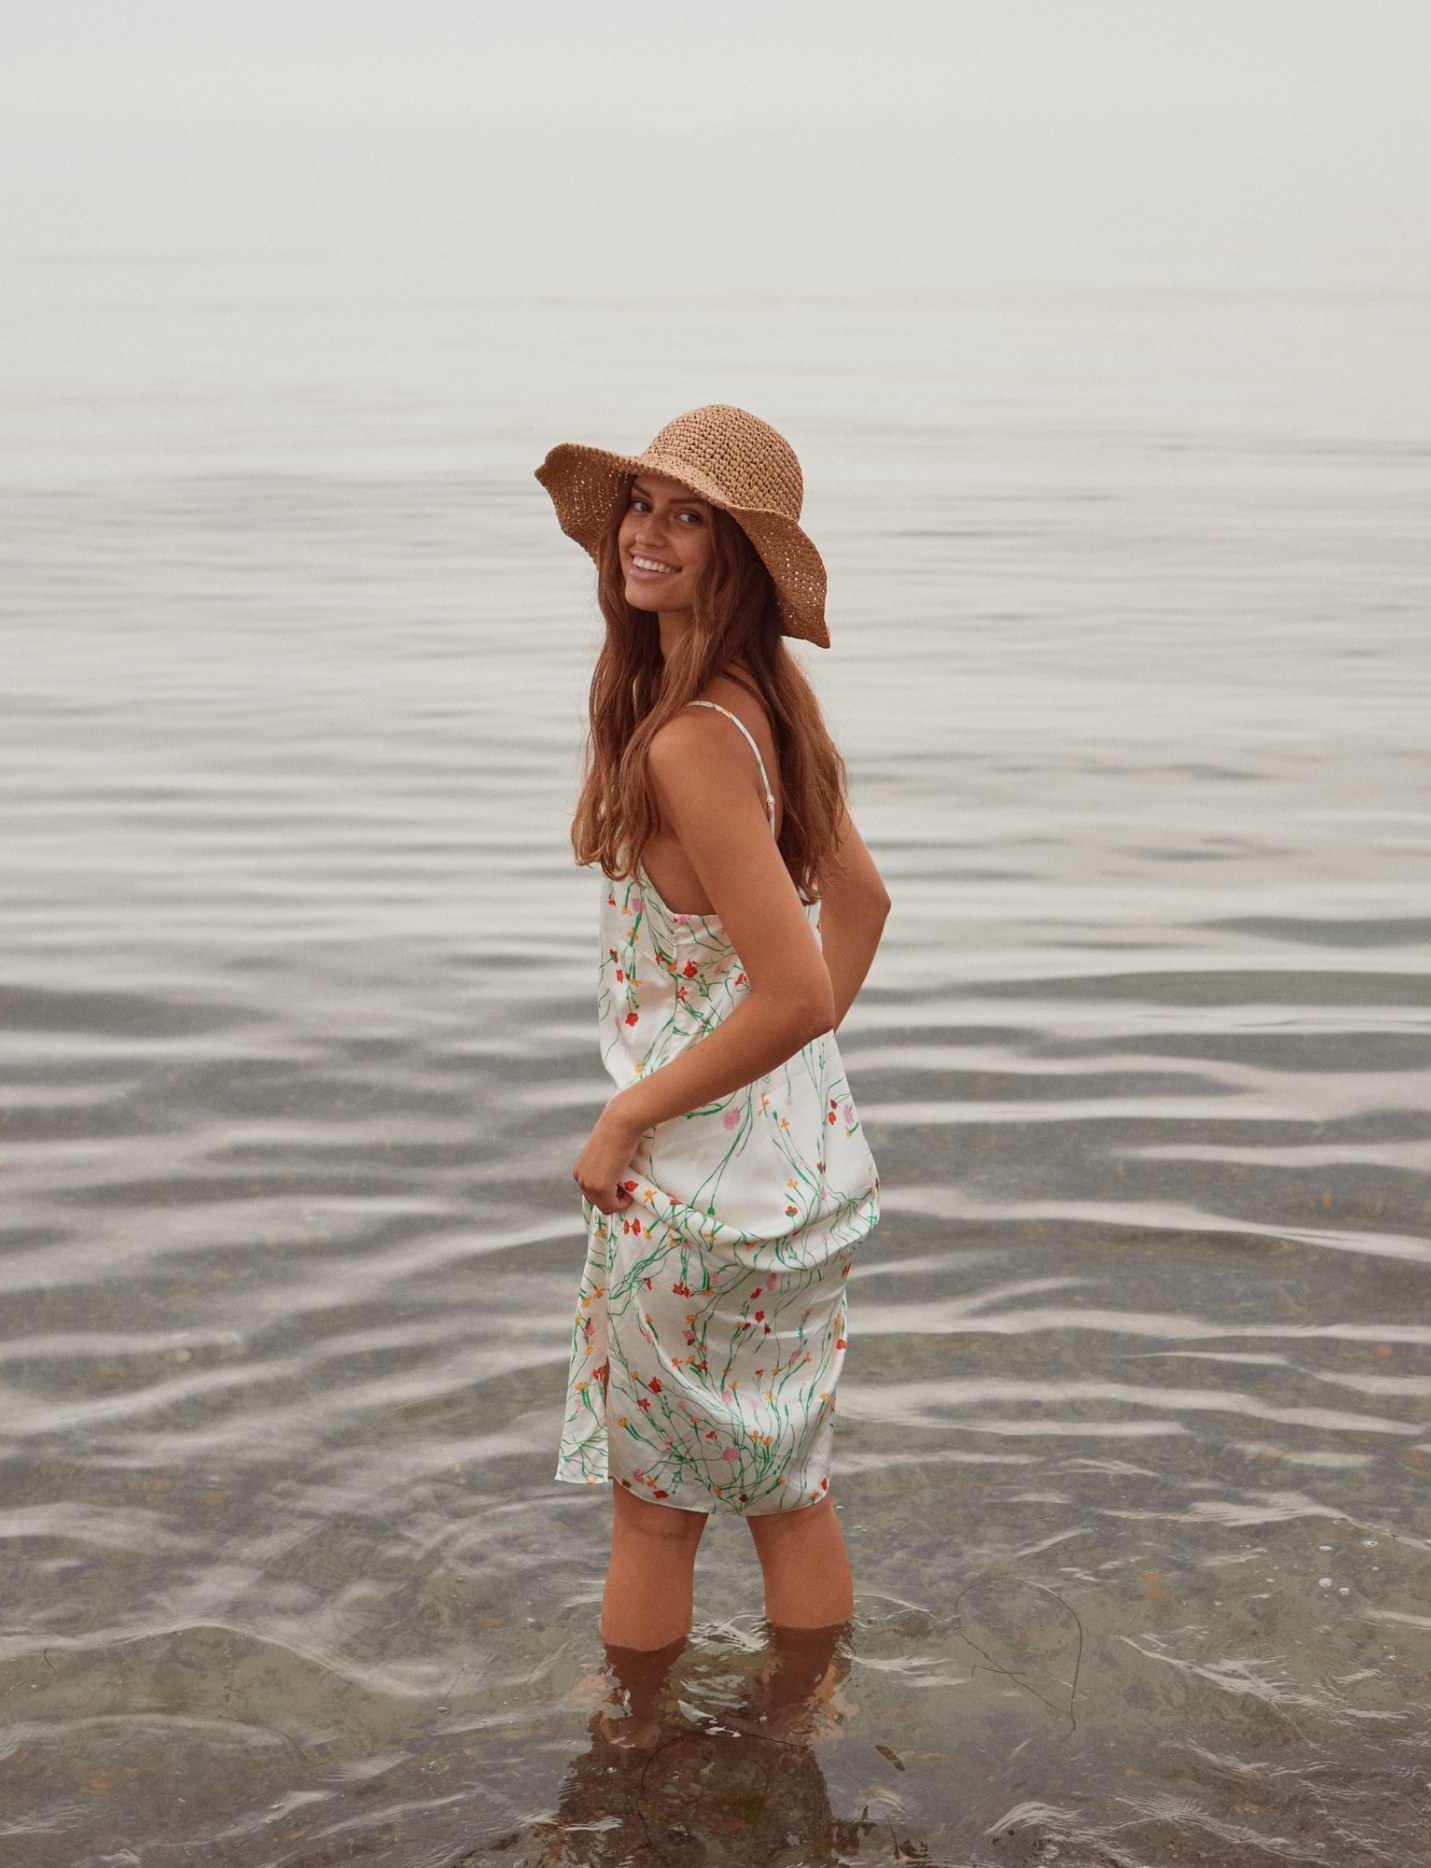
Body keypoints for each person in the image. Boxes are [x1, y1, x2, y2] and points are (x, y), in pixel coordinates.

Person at [534, 405, 889, 1696]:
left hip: (687, 1193)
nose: (648, 534)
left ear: (736, 559)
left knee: (654, 1515)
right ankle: (803, 1728)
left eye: (690, 518)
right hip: (800, 1178)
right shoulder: (766, 711)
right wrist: (782, 1098)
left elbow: (793, 985)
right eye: (642, 504)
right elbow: (859, 914)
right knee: (788, 1491)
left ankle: (633, 1755)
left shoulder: (688, 742)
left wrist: (633, 1118)